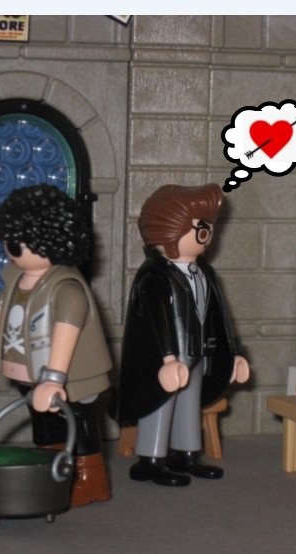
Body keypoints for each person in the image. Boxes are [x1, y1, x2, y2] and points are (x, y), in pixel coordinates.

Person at [0, 184, 113, 506]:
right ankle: (50, 471)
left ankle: (91, 479)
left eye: (17, 240)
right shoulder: (16, 281)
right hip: (31, 374)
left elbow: (65, 333)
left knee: (79, 424)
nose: (10, 247)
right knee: (45, 424)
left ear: (49, 239)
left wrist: (54, 378)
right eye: (9, 239)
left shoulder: (67, 289)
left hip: (72, 379)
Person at [110, 183, 249, 486]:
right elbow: (157, 321)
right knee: (160, 404)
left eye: (208, 227)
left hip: (198, 354)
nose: (207, 235)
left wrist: (233, 354)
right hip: (167, 359)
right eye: (201, 227)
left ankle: (187, 454)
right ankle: (151, 458)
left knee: (189, 403)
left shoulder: (205, 273)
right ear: (169, 230)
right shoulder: (155, 276)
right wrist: (168, 358)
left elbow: (219, 317)